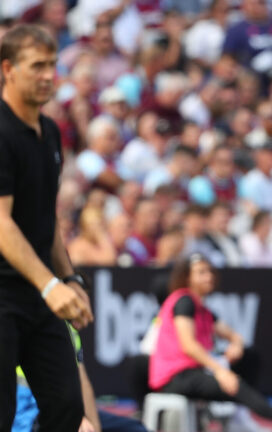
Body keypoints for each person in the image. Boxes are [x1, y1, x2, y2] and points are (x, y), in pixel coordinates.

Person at [0, 25, 93, 431]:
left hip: (38, 295)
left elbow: (46, 217)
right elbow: (0, 222)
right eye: (36, 66)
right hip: (4, 296)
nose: (47, 75)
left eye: (52, 65)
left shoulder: (51, 131)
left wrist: (69, 277)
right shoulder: (1, 132)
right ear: (8, 69)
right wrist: (50, 284)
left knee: (67, 408)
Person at [149, 255, 272, 431]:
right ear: (187, 278)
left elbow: (234, 336)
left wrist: (236, 345)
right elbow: (188, 345)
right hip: (175, 377)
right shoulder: (184, 302)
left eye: (210, 272)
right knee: (232, 383)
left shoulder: (203, 309)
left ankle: (239, 416)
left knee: (248, 356)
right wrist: (220, 371)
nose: (209, 277)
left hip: (195, 371)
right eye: (201, 272)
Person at [14, 323, 148, 432]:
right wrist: (72, 419)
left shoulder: (68, 329)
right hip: (28, 414)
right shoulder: (25, 321)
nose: (87, 314)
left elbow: (82, 381)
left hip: (65, 410)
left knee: (136, 429)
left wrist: (86, 421)